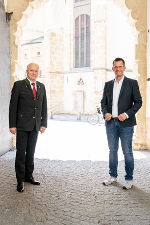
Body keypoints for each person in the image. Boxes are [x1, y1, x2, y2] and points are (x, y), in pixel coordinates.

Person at [101, 58, 142, 189]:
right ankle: (112, 176)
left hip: (126, 124)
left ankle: (129, 178)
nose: (118, 69)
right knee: (112, 150)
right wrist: (105, 113)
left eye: (120, 66)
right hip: (111, 123)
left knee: (127, 152)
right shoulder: (108, 84)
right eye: (115, 67)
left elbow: (139, 102)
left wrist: (127, 114)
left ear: (124, 68)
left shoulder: (132, 83)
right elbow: (103, 103)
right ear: (113, 68)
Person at [9, 63, 47, 192]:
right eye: (31, 70)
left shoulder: (41, 87)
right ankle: (20, 180)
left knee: (31, 153)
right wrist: (12, 125)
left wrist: (43, 123)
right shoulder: (19, 85)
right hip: (22, 126)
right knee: (21, 153)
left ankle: (28, 176)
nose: (34, 73)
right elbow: (13, 106)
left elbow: (44, 107)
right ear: (27, 71)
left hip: (35, 125)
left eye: (36, 71)